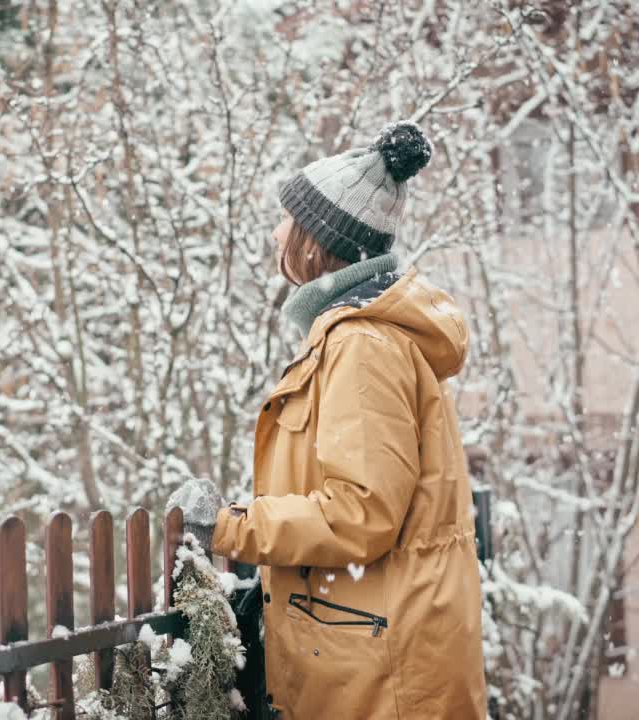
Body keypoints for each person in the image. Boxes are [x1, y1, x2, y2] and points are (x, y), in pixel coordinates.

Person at [169, 122, 488, 719]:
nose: (274, 233)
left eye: (286, 219)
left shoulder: (362, 346)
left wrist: (231, 527)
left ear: (316, 241)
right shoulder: (356, 338)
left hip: (379, 679)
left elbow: (361, 514)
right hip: (368, 654)